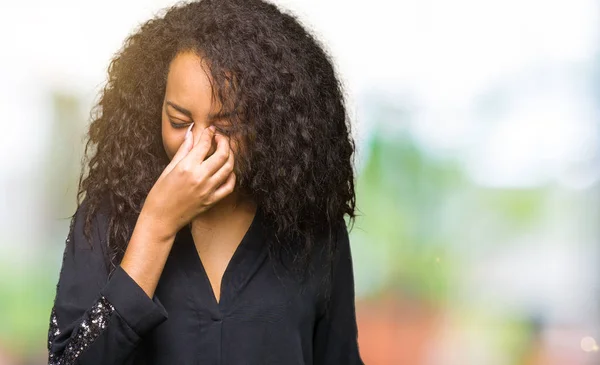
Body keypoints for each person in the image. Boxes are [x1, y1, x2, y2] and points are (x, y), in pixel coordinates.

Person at [47, 0, 363, 364]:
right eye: (179, 121)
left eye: (226, 126)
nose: (198, 144)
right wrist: (157, 224)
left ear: (271, 124)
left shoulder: (315, 231)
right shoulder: (105, 220)